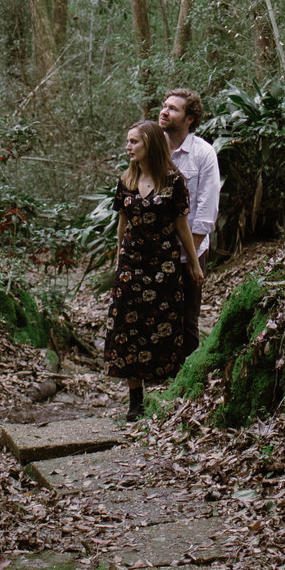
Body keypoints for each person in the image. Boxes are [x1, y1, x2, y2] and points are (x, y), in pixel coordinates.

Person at [101, 120, 204, 421]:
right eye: (128, 141)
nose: (128, 147)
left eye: (134, 141)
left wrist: (194, 264)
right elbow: (122, 225)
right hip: (132, 264)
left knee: (164, 326)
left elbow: (182, 225)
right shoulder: (126, 181)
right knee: (128, 329)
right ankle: (136, 401)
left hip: (163, 264)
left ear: (150, 144)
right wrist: (119, 260)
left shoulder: (174, 181)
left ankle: (170, 392)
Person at [157, 89, 222, 261]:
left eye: (173, 109)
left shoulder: (203, 153)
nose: (164, 112)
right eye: (164, 107)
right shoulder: (151, 148)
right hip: (152, 254)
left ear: (189, 118)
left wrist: (190, 257)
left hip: (189, 252)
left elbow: (207, 208)